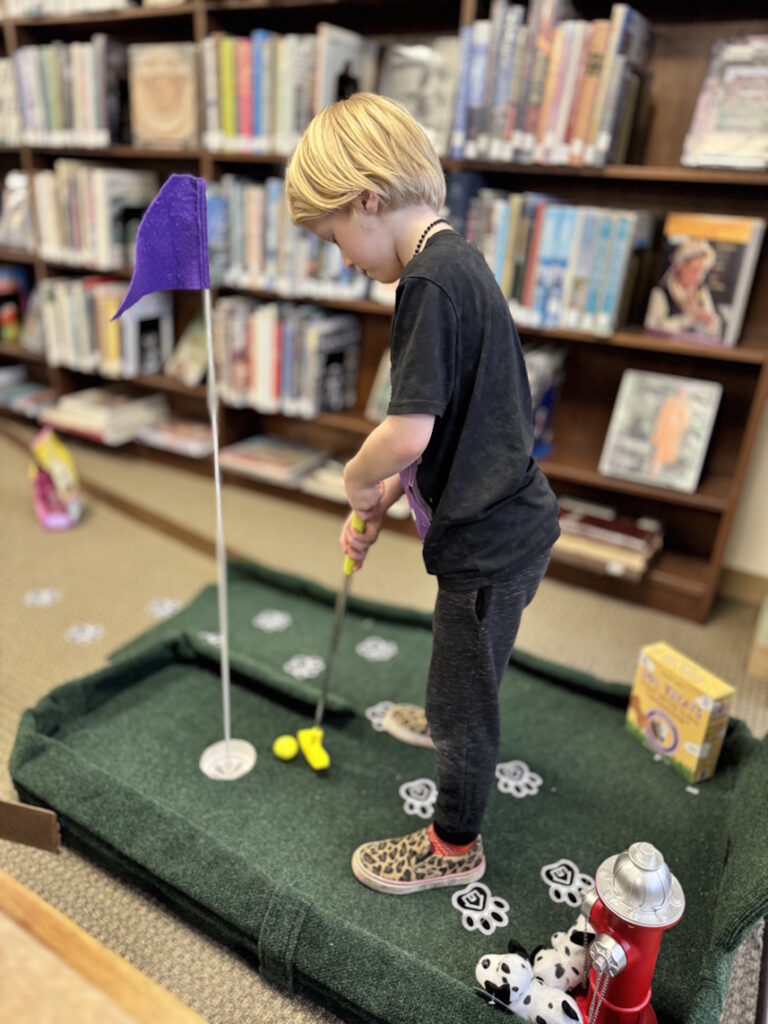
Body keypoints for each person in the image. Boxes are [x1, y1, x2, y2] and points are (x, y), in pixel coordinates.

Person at [284, 93, 560, 895]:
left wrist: (355, 477)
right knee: (466, 673)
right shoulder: (458, 261)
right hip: (511, 519)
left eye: (334, 236)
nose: (342, 258)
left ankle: (454, 846)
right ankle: (448, 725)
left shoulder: (426, 286)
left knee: (463, 693)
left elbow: (408, 435)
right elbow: (457, 435)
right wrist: (382, 504)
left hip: (491, 542)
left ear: (368, 198)